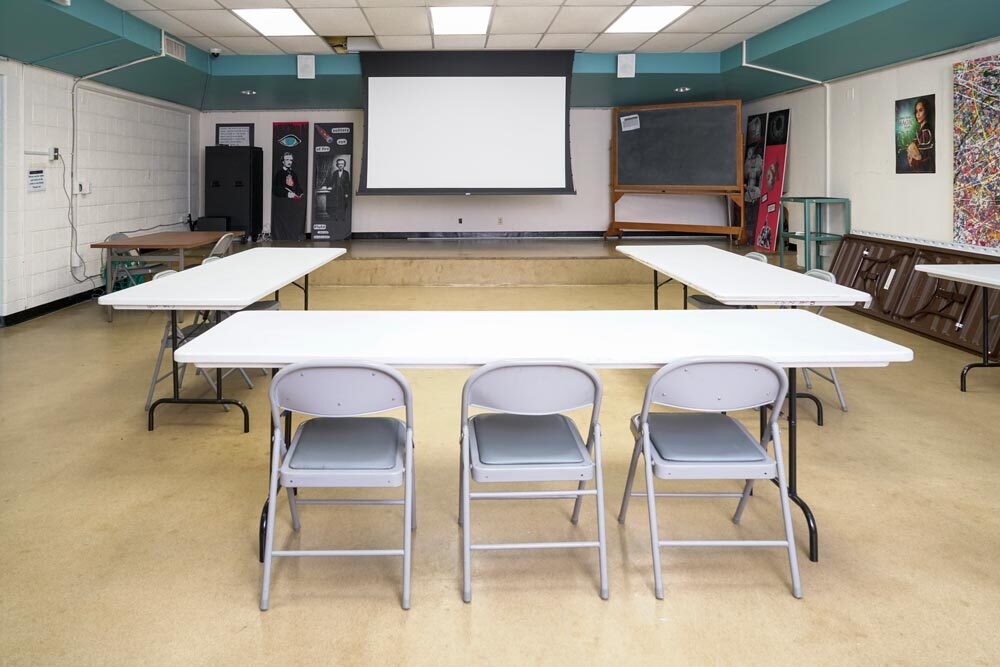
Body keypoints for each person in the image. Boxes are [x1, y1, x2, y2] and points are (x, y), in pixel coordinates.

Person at [271, 152, 304, 241]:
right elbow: (275, 189)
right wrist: (287, 194)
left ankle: (293, 237)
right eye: (287, 160)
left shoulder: (293, 173)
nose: (289, 162)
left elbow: (297, 186)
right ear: (283, 161)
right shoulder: (279, 174)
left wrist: (300, 193)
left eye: (290, 160)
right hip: (283, 203)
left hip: (293, 204)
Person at [906, 97, 934, 172]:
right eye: (916, 111)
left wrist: (912, 153)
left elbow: (922, 157)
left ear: (926, 111)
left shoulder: (926, 130)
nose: (917, 114)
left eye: (920, 110)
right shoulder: (920, 130)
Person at [330, 157, 351, 224]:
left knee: (343, 205)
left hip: (343, 192)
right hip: (336, 191)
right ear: (337, 165)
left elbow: (347, 183)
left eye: (342, 164)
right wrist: (329, 187)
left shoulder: (346, 173)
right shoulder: (335, 173)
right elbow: (332, 182)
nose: (340, 165)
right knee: (336, 204)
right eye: (339, 164)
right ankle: (336, 217)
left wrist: (347, 193)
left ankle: (343, 218)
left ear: (344, 165)